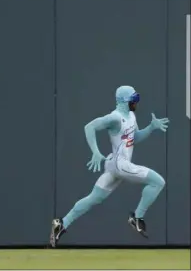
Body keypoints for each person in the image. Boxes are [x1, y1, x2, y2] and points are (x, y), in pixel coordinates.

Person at [49, 86, 169, 248]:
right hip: (120, 165)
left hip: (114, 165)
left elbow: (135, 138)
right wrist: (96, 152)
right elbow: (89, 127)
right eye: (134, 99)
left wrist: (150, 128)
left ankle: (61, 223)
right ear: (125, 101)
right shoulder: (115, 117)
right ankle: (137, 217)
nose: (136, 103)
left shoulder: (131, 116)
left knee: (93, 198)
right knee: (158, 182)